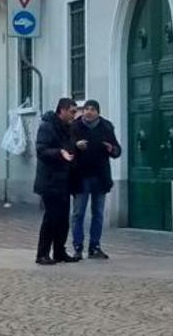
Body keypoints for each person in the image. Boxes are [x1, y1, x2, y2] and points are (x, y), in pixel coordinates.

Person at [70, 100, 122, 260]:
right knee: (78, 213)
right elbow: (66, 147)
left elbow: (117, 150)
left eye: (92, 109)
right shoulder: (75, 126)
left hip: (100, 176)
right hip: (81, 175)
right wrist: (76, 146)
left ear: (98, 112)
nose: (88, 112)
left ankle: (95, 246)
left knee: (98, 213)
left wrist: (111, 149)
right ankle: (77, 246)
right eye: (86, 109)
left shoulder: (106, 127)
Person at [34, 98, 82, 265]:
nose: (74, 115)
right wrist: (59, 152)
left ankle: (59, 251)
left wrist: (76, 148)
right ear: (62, 110)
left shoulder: (69, 128)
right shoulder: (47, 126)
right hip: (50, 180)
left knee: (63, 219)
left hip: (65, 180)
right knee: (51, 218)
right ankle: (42, 253)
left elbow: (70, 147)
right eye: (72, 112)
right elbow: (41, 150)